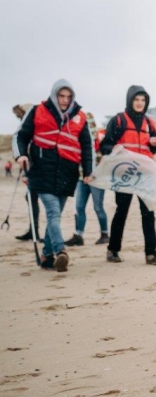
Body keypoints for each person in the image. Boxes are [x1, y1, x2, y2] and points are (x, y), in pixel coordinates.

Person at [12, 80, 94, 272]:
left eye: (68, 97)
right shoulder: (37, 111)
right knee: (53, 212)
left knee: (54, 217)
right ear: (54, 95)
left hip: (68, 173)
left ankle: (46, 256)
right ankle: (60, 251)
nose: (64, 100)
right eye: (61, 96)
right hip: (41, 172)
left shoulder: (80, 117)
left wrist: (88, 171)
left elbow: (87, 146)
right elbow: (20, 136)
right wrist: (21, 154)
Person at [100, 86, 156, 265]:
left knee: (148, 212)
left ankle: (151, 254)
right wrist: (115, 149)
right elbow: (104, 146)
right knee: (121, 212)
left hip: (144, 175)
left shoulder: (149, 123)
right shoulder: (119, 120)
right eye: (136, 99)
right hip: (125, 175)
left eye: (143, 100)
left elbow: (153, 148)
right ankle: (113, 250)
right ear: (130, 100)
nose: (139, 103)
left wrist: (154, 143)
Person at [64, 112, 109, 246]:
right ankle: (78, 235)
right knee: (79, 207)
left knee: (98, 207)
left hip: (97, 179)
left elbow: (106, 158)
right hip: (81, 177)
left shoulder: (100, 140)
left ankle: (105, 234)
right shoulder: (77, 139)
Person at [12, 103, 41, 241]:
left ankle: (35, 231)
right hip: (31, 167)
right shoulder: (29, 126)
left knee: (34, 197)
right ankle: (33, 230)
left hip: (38, 167)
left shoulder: (34, 124)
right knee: (31, 197)